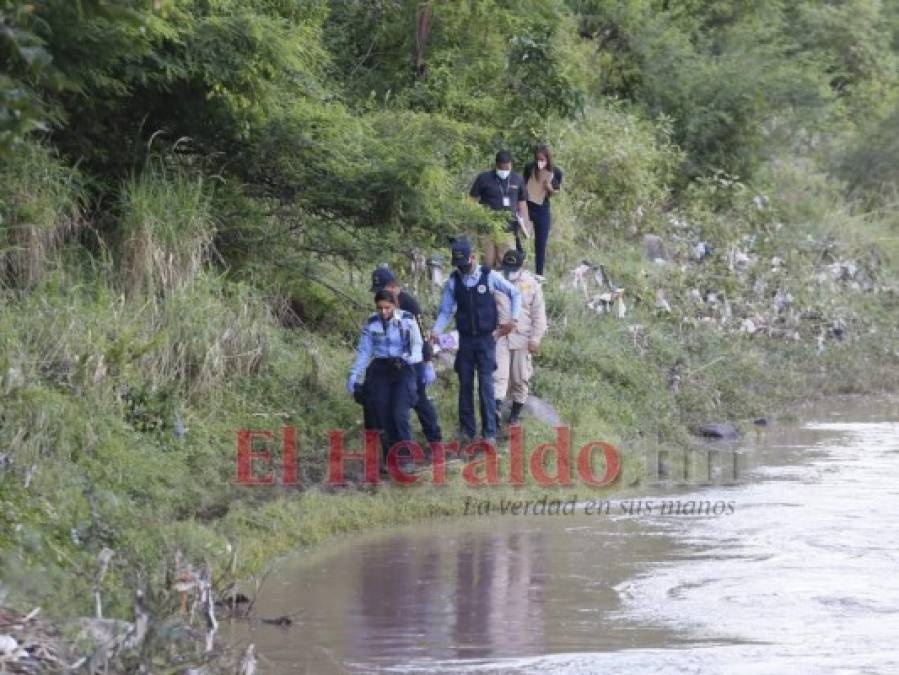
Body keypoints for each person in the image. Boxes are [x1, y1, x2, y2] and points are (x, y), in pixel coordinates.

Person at [430, 237, 521, 446]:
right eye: (459, 265)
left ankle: (489, 433)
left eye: (465, 264)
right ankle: (467, 432)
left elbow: (515, 293)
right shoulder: (453, 281)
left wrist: (513, 319)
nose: (463, 268)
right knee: (465, 386)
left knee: (486, 387)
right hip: (465, 341)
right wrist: (436, 331)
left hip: (486, 340)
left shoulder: (490, 276)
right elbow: (445, 311)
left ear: (473, 257)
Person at [347, 289, 423, 470]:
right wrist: (354, 373)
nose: (384, 312)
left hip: (403, 367)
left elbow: (417, 345)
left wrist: (411, 359)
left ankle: (406, 457)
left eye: (387, 308)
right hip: (380, 368)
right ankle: (389, 457)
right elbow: (365, 350)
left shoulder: (407, 319)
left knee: (399, 414)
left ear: (395, 305)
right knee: (381, 414)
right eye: (380, 308)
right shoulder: (372, 322)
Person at [370, 266, 443, 444]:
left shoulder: (409, 303)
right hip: (393, 362)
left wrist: (427, 362)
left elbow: (422, 334)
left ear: (392, 286)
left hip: (414, 362)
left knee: (419, 400)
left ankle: (434, 439)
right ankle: (397, 445)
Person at [493, 249, 547, 429]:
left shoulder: (531, 284)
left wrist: (535, 338)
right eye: (507, 268)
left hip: (522, 337)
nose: (510, 272)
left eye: (513, 268)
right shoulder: (495, 280)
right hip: (499, 335)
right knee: (498, 376)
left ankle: (514, 416)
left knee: (520, 378)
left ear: (521, 266)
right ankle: (495, 412)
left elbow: (539, 315)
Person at [469, 150, 529, 269]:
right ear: (496, 165)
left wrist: (525, 225)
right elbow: (472, 200)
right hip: (487, 229)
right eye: (502, 169)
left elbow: (522, 203)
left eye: (507, 168)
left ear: (511, 164)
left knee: (508, 262)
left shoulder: (518, 179)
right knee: (487, 263)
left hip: (508, 230)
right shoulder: (483, 178)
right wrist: (476, 217)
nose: (504, 171)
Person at [522, 144, 563, 282]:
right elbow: (522, 185)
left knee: (541, 243)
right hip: (527, 206)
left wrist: (549, 188)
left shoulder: (555, 172)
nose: (539, 162)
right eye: (537, 159)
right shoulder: (530, 167)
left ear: (547, 159)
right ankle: (517, 266)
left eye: (542, 159)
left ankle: (539, 275)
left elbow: (556, 191)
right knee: (520, 235)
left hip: (542, 208)